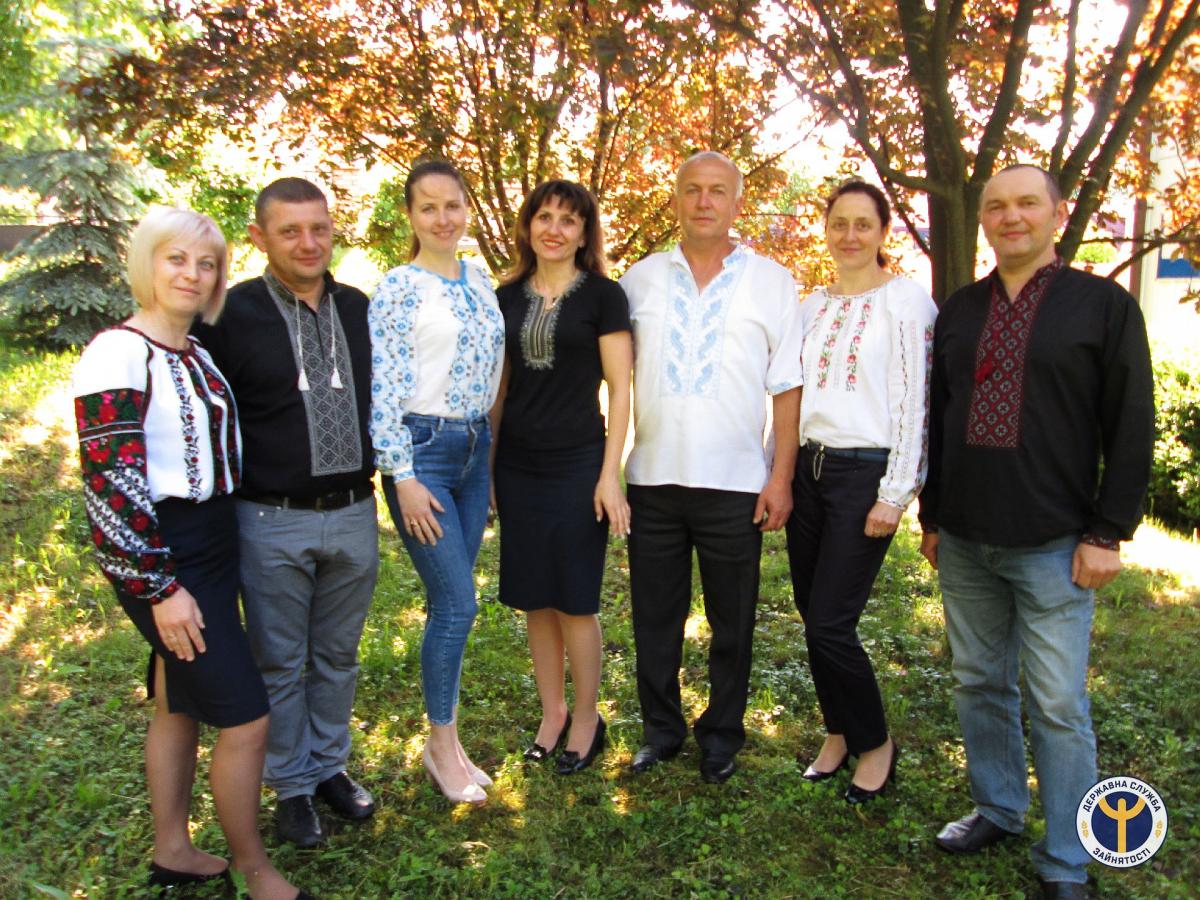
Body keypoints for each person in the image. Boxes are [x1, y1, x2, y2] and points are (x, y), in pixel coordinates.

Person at [918, 165, 1153, 899]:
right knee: (979, 682)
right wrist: (933, 516)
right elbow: (939, 417)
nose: (1010, 216)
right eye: (996, 206)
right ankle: (998, 808)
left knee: (1057, 706)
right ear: (983, 219)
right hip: (966, 539)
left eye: (1026, 203)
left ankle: (1066, 859)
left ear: (1057, 212)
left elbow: (1131, 423)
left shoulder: (1102, 306)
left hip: (1056, 542)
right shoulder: (960, 309)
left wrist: (1107, 532)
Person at [73, 208, 310, 899]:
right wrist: (159, 588)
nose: (192, 274)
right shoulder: (117, 352)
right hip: (164, 555)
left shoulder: (195, 353)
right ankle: (254, 870)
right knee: (247, 717)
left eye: (207, 264)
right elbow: (111, 485)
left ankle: (172, 848)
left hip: (213, 541)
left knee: (177, 705)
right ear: (146, 263)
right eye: (176, 259)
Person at [194, 178, 378, 848]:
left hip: (354, 511)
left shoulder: (358, 308)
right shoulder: (228, 315)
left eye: (318, 228)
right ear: (259, 237)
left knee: (337, 655)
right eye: (290, 231)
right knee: (278, 661)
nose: (308, 243)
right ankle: (292, 786)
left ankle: (329, 767)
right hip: (271, 518)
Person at [620, 151, 804, 784]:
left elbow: (787, 387)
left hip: (736, 484)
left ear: (736, 202)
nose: (704, 202)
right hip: (653, 478)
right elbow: (613, 374)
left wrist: (780, 476)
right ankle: (661, 731)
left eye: (718, 191)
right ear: (676, 198)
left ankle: (722, 734)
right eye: (693, 189)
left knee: (733, 622)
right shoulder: (640, 280)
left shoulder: (772, 282)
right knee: (655, 619)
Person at [786, 180, 936, 803]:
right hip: (808, 470)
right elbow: (790, 397)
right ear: (826, 229)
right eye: (839, 223)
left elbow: (915, 403)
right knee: (810, 612)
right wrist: (778, 473)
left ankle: (875, 743)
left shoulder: (906, 302)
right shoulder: (810, 307)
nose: (849, 236)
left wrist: (895, 492)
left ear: (883, 232)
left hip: (864, 475)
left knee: (831, 622)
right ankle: (838, 731)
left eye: (863, 224)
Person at [369, 160, 505, 805]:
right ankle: (441, 747)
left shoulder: (480, 281)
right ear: (411, 216)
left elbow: (492, 374)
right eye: (428, 207)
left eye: (452, 205)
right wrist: (401, 475)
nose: (442, 218)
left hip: (475, 453)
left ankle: (448, 743)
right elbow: (383, 387)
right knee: (458, 605)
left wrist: (490, 461)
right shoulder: (398, 287)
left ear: (466, 209)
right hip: (422, 455)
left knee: (451, 604)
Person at [490, 180, 632, 776]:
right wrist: (489, 470)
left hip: (578, 463)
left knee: (574, 599)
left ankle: (586, 718)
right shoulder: (505, 298)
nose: (554, 229)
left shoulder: (604, 296)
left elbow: (620, 389)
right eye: (544, 217)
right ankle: (552, 713)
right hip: (517, 466)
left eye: (568, 220)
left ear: (583, 234)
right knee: (535, 598)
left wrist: (609, 476)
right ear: (528, 226)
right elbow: (499, 391)